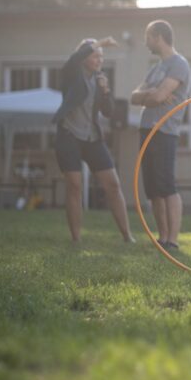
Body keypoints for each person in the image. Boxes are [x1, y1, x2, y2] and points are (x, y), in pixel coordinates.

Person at [53, 37, 135, 246]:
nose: (99, 59)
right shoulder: (72, 73)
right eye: (95, 55)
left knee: (113, 185)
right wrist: (101, 42)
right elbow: (74, 58)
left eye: (101, 56)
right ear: (84, 57)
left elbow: (108, 112)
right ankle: (76, 239)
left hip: (92, 138)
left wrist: (106, 90)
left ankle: (127, 236)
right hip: (69, 135)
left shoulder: (100, 79)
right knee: (74, 185)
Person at [131, 20, 191, 251]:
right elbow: (134, 97)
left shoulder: (179, 64)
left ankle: (173, 241)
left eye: (147, 37)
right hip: (147, 129)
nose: (146, 42)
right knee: (153, 188)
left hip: (164, 131)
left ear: (157, 36)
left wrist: (152, 95)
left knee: (166, 185)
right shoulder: (156, 68)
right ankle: (163, 238)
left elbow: (158, 98)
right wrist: (151, 93)